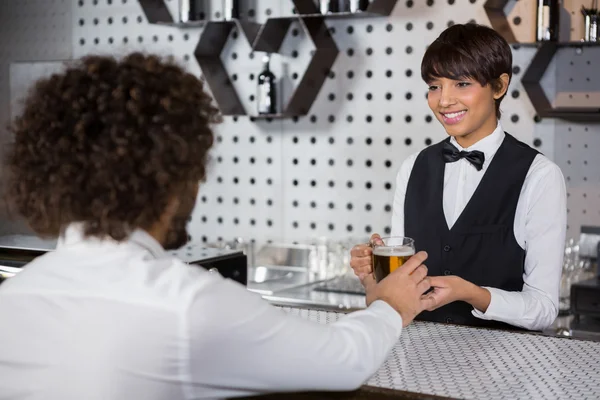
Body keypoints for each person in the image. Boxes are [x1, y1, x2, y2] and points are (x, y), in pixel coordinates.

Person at [0, 53, 435, 400]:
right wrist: (389, 306)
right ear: (171, 175)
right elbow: (344, 362)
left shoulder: (13, 298)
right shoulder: (187, 305)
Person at [350, 23, 567, 332]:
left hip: (506, 369)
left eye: (461, 84)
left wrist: (472, 294)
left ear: (499, 86)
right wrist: (374, 277)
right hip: (420, 363)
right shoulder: (413, 167)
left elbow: (544, 308)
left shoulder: (539, 176)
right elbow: (394, 297)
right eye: (435, 86)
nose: (444, 101)